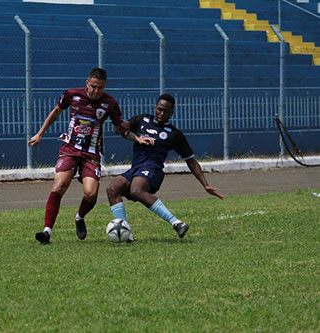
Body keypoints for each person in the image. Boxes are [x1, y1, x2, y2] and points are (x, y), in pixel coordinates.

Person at [28, 68, 128, 244]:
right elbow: (56, 112)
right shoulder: (72, 95)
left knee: (91, 194)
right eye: (94, 86)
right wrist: (40, 133)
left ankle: (79, 217)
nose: (97, 91)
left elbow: (120, 127)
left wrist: (138, 138)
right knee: (59, 185)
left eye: (101, 88)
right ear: (87, 83)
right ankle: (47, 232)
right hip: (70, 149)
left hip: (91, 153)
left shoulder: (110, 103)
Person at [106, 93, 224, 241]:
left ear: (172, 113)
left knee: (136, 190)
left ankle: (177, 223)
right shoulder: (142, 120)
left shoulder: (174, 135)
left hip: (153, 169)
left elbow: (191, 161)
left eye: (166, 111)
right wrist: (122, 126)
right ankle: (126, 235)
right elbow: (121, 130)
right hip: (135, 168)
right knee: (112, 188)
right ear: (155, 108)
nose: (161, 113)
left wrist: (205, 185)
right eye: (159, 109)